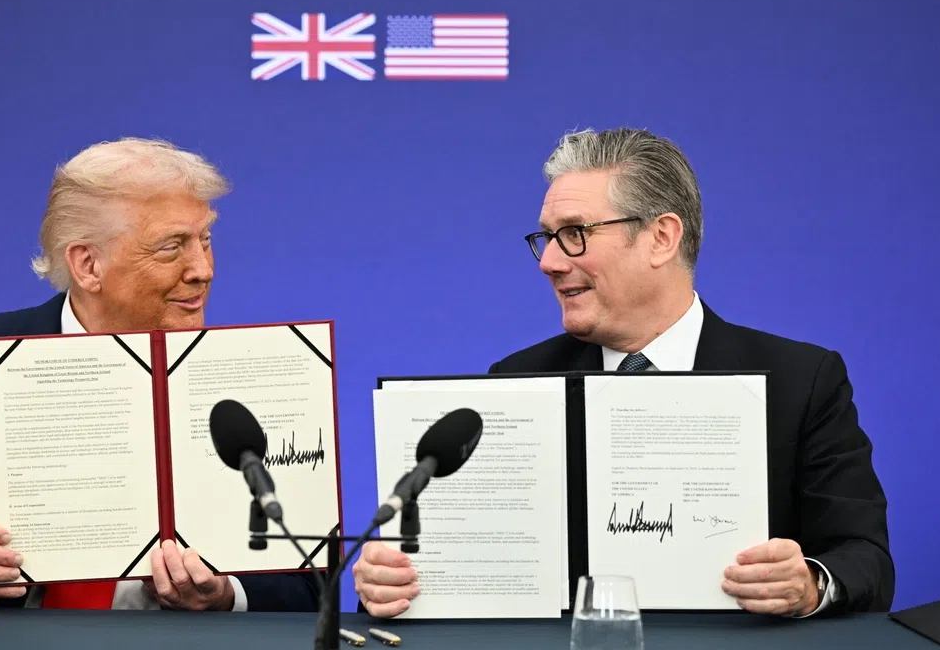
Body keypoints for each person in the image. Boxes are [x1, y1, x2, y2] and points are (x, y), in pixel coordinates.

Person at [352, 126, 893, 619]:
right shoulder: (519, 381)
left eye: (574, 233)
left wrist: (811, 586)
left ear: (661, 237)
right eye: (546, 237)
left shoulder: (801, 379)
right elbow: (468, 557)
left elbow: (864, 557)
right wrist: (391, 577)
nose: (549, 262)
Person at [0, 137, 319, 612]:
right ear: (88, 265)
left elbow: (316, 577)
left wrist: (227, 593)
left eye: (206, 240)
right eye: (172, 247)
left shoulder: (260, 375)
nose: (203, 269)